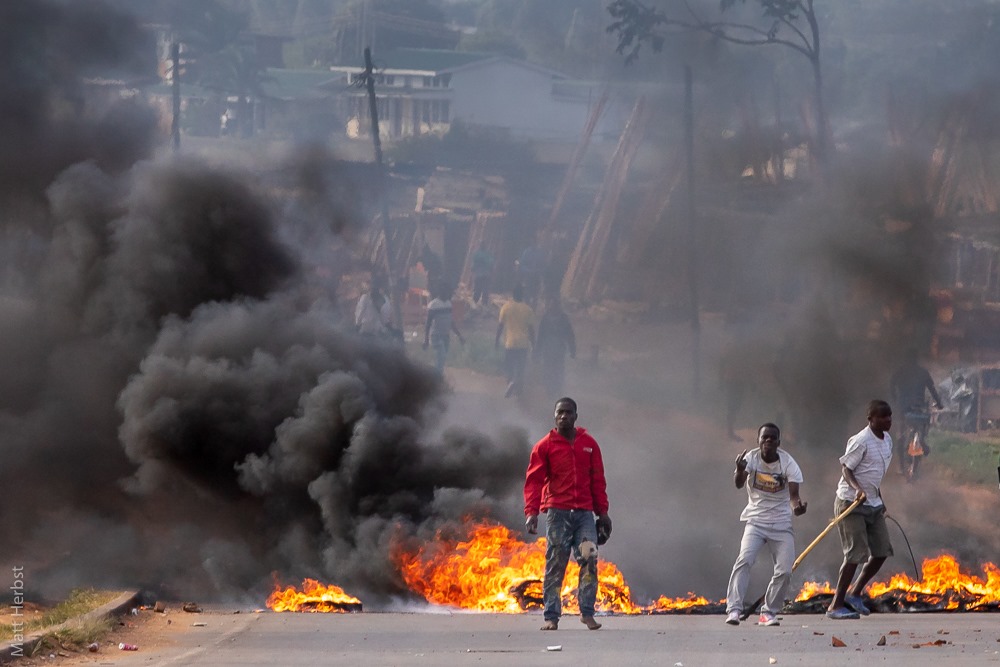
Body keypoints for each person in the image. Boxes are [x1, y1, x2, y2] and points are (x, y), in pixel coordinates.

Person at [524, 397, 611, 631]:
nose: (564, 416)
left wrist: (602, 513)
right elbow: (533, 481)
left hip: (584, 516)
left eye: (568, 412)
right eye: (560, 412)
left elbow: (598, 480)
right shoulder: (545, 446)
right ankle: (551, 616)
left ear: (576, 416)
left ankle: (587, 613)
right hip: (558, 515)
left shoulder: (589, 444)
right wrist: (532, 512)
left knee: (589, 560)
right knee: (555, 564)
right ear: (554, 416)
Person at [724, 423, 807, 627]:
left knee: (785, 571)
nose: (768, 441)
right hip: (756, 522)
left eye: (772, 438)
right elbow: (738, 483)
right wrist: (739, 469)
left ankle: (768, 612)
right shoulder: (751, 458)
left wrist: (797, 508)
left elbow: (794, 497)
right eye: (764, 438)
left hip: (781, 524)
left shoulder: (789, 464)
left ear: (778, 442)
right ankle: (734, 610)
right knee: (744, 560)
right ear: (758, 441)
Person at [827, 400, 895, 620]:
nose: (888, 420)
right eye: (883, 417)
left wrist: (879, 499)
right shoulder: (861, 441)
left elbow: (875, 473)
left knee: (882, 551)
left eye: (889, 416)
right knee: (855, 554)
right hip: (851, 503)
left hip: (873, 503)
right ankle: (835, 606)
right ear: (871, 419)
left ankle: (855, 594)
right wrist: (857, 490)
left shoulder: (887, 441)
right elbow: (846, 468)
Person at [889, 348, 942, 475]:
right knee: (922, 430)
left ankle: (901, 467)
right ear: (917, 359)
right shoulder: (923, 372)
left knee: (901, 435)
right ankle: (922, 443)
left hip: (903, 407)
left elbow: (892, 385)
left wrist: (895, 399)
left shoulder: (900, 371)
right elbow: (932, 389)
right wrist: (939, 403)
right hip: (919, 407)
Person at [495, 285, 534, 398]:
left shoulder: (506, 307)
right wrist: (534, 344)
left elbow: (500, 326)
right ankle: (519, 392)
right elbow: (531, 330)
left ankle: (510, 382)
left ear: (513, 294)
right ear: (522, 295)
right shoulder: (528, 309)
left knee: (509, 366)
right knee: (521, 368)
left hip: (510, 343)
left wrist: (496, 341)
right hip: (523, 344)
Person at [535, 296, 576, 398]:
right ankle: (551, 388)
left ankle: (555, 388)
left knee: (556, 369)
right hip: (551, 349)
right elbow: (541, 335)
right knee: (551, 369)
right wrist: (537, 350)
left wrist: (572, 349)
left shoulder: (561, 318)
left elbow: (570, 335)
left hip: (556, 349)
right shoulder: (553, 318)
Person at [423, 282, 464, 375]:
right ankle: (437, 378)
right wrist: (426, 339)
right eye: (447, 292)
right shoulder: (433, 305)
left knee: (442, 358)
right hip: (436, 336)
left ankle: (434, 375)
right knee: (441, 356)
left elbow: (451, 322)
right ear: (441, 292)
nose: (449, 294)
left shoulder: (448, 304)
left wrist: (459, 335)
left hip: (446, 336)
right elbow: (428, 323)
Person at [517, 241, 544, 306]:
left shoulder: (540, 253)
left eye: (535, 243)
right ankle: (526, 306)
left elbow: (542, 265)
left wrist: (538, 271)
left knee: (535, 294)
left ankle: (533, 309)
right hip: (528, 276)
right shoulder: (527, 252)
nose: (534, 244)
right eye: (533, 243)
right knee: (527, 293)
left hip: (536, 276)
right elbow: (522, 264)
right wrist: (528, 271)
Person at [470, 243, 495, 308]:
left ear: (480, 246)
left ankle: (474, 304)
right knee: (485, 290)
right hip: (486, 275)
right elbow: (491, 264)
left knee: (477, 290)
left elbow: (473, 265)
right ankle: (484, 305)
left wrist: (473, 271)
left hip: (478, 275)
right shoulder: (488, 254)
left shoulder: (476, 254)